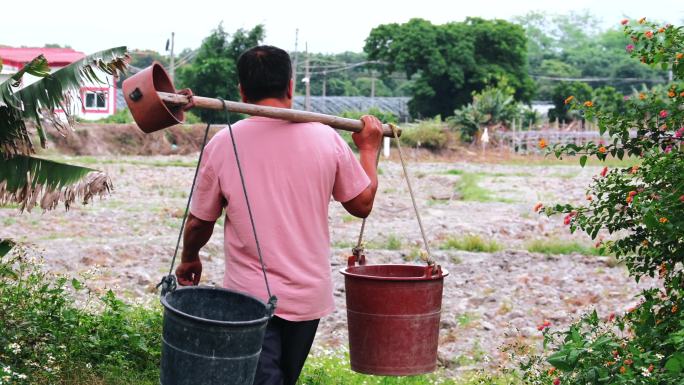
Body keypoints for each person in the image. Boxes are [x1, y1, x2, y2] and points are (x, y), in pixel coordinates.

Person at [175, 45, 383, 385]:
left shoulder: (225, 143)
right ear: (290, 86)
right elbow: (362, 204)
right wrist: (369, 150)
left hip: (249, 300)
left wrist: (190, 258)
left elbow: (200, 221)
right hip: (307, 296)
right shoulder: (325, 138)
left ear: (241, 90)